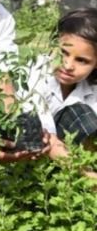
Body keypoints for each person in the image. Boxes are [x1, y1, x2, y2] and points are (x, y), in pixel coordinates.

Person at [25, 10, 97, 159]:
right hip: (32, 146)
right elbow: (42, 133)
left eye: (81, 60)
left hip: (68, 151)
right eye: (63, 52)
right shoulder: (36, 72)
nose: (68, 65)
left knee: (84, 115)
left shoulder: (91, 87)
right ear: (52, 44)